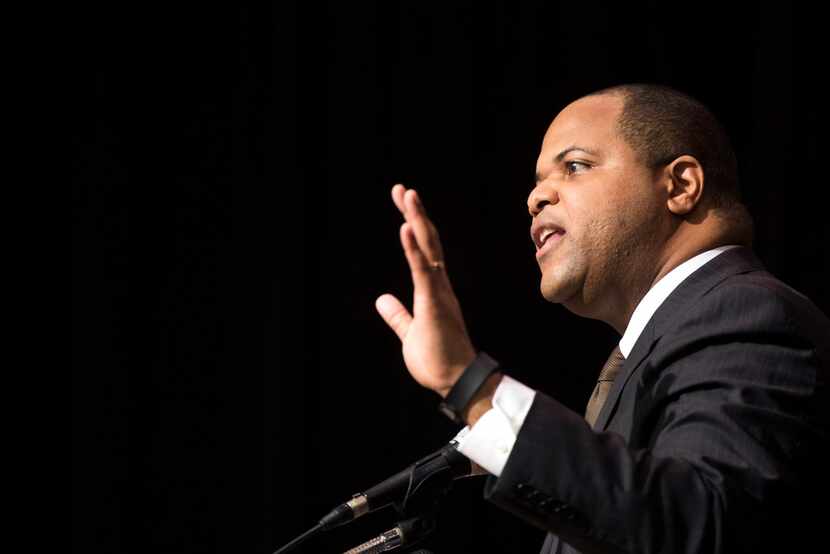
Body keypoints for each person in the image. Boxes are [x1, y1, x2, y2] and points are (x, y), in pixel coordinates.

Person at [374, 84, 830, 553]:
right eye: (536, 181)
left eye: (574, 166)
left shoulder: (748, 314)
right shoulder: (653, 349)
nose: (536, 197)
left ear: (680, 186)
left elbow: (699, 522)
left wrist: (470, 386)